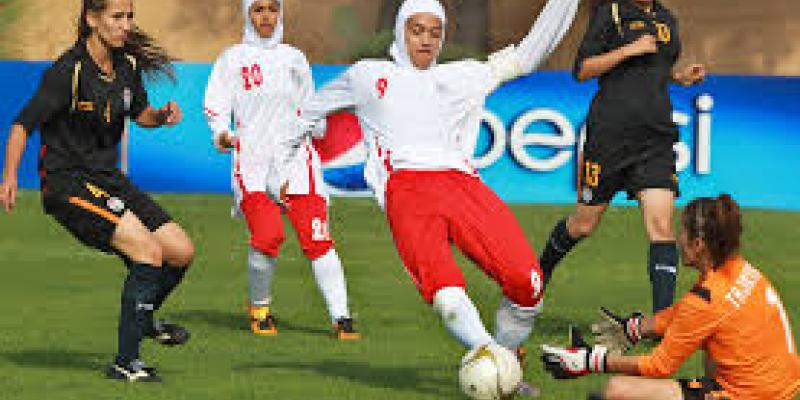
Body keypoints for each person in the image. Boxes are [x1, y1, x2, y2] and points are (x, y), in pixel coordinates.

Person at [279, 0, 580, 376]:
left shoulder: (464, 76)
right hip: (408, 193)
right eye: (417, 30)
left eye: (435, 32)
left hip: (463, 185)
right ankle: (498, 365)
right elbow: (304, 114)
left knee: (528, 282)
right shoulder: (367, 76)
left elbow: (530, 53)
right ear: (401, 30)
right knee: (448, 298)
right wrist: (281, 169)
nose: (426, 40)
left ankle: (502, 364)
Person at [0, 0, 194, 382]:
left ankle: (144, 318)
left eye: (130, 17)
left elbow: (140, 114)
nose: (126, 25)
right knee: (148, 251)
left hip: (108, 180)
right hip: (67, 183)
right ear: (92, 19)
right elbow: (22, 126)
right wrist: (8, 178)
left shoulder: (128, 65)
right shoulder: (67, 72)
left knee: (180, 251)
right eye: (117, 17)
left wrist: (161, 116)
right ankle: (127, 362)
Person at [541, 194, 800, 400]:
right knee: (712, 347)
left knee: (617, 391)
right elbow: (688, 314)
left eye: (682, 232)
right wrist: (637, 328)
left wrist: (590, 360)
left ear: (698, 244)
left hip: (752, 395)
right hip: (783, 387)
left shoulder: (705, 301)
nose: (678, 238)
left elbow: (659, 366)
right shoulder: (740, 269)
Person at [537, 0, 706, 312]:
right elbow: (582, 70)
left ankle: (661, 322)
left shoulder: (667, 17)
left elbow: (652, 71)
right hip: (609, 137)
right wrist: (626, 50)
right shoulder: (610, 13)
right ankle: (539, 272)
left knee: (661, 226)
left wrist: (678, 77)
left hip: (655, 137)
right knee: (583, 225)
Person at [203, 0, 359, 340]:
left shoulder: (295, 59)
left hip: (296, 163)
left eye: (272, 9)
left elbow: (311, 107)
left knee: (318, 240)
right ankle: (259, 309)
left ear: (281, 13)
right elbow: (216, 104)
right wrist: (221, 132)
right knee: (268, 236)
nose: (266, 17)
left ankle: (342, 318)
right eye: (258, 10)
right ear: (247, 14)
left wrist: (315, 127)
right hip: (253, 164)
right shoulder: (233, 59)